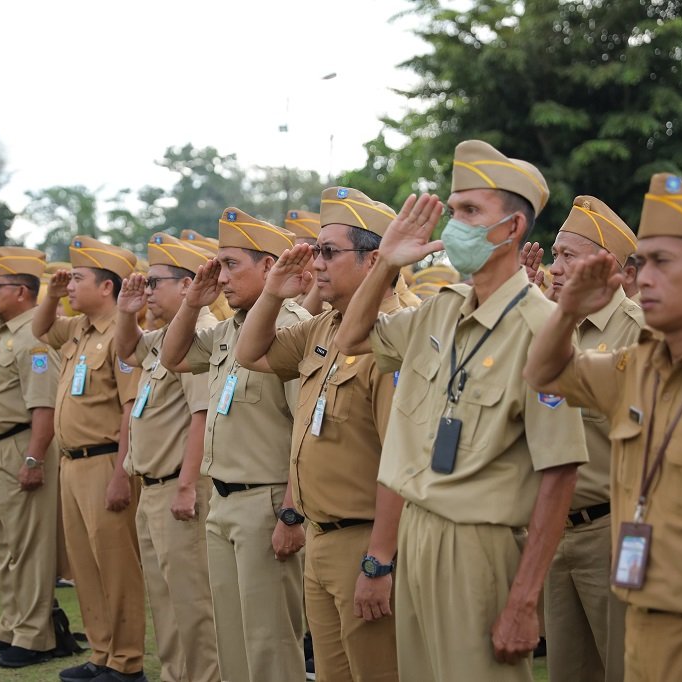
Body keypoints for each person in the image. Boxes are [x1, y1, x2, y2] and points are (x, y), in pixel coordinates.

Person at [334, 139, 588, 682]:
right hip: (417, 532)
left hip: (479, 544)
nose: (454, 226)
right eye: (453, 211)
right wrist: (386, 264)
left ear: (513, 229)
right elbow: (350, 338)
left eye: (471, 212)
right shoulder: (440, 310)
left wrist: (523, 601)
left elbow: (560, 472)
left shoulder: (542, 328)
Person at [523, 173, 682, 682]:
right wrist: (565, 313)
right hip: (628, 586)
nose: (644, 278)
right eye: (642, 263)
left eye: (663, 263)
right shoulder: (637, 366)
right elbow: (544, 373)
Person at [236, 187, 410, 680]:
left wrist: (380, 559)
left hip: (364, 541)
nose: (317, 263)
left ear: (375, 259)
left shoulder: (392, 337)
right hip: (321, 537)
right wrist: (272, 292)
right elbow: (252, 354)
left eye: (329, 252)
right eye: (315, 250)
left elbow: (398, 460)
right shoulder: (325, 327)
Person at [161, 208, 310, 682]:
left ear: (270, 267)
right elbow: (174, 357)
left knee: (270, 644)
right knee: (232, 639)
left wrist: (291, 513)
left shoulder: (291, 328)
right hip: (223, 501)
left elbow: (302, 432)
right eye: (218, 266)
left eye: (232, 265)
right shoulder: (228, 330)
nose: (221, 277)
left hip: (266, 503)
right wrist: (191, 304)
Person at [524, 196, 644, 682]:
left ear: (605, 265)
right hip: (555, 531)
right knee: (567, 672)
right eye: (555, 255)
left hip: (609, 533)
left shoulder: (633, 328)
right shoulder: (551, 325)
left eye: (569, 256)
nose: (555, 267)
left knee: (623, 668)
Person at [33, 236, 148, 682]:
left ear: (107, 288)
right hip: (71, 464)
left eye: (78, 278)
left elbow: (128, 410)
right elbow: (40, 329)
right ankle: (101, 652)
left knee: (116, 566)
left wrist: (121, 474)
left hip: (104, 462)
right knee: (84, 564)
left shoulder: (121, 337)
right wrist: (52, 294)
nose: (70, 284)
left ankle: (127, 661)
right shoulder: (78, 330)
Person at [115, 233, 219, 682]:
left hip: (178, 487)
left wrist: (186, 486)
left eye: (156, 282)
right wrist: (126, 312)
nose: (148, 290)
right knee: (165, 601)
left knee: (193, 605)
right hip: (152, 486)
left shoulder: (199, 333)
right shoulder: (163, 338)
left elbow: (201, 417)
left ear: (187, 285)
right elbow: (127, 350)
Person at [0, 246, 59, 669]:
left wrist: (34, 459)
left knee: (28, 546)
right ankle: (12, 624)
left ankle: (35, 635)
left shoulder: (34, 336)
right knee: (4, 544)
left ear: (21, 291)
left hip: (19, 446)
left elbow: (44, 407)